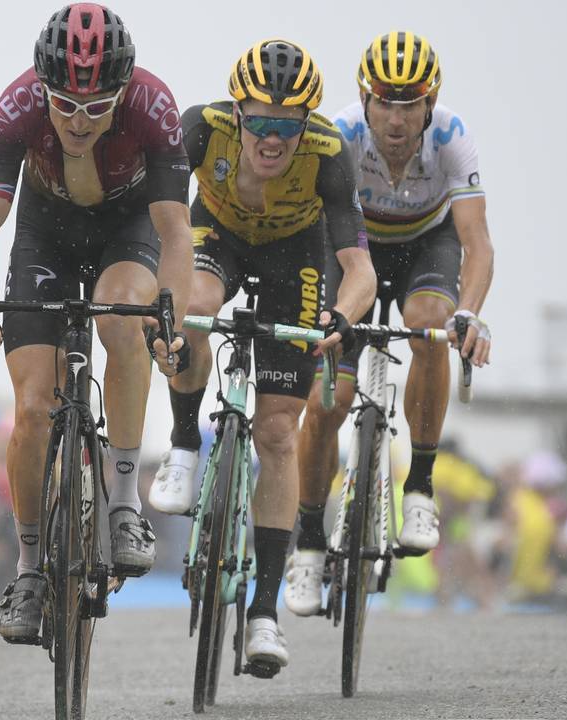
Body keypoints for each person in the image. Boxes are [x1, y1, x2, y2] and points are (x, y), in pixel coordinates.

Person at [0, 2, 192, 644]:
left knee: (125, 323)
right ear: (43, 89)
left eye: (97, 107)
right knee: (33, 408)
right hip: (47, 234)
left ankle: (123, 502)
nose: (80, 122)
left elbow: (176, 231)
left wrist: (168, 320)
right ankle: (30, 571)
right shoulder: (17, 107)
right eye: (65, 106)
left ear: (124, 91)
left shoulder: (154, 106)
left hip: (129, 228)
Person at [146, 39, 375, 672]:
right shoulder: (202, 128)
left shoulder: (329, 154)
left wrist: (342, 316)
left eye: (287, 127)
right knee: (191, 304)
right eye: (261, 124)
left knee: (277, 435)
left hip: (295, 257)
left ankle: (264, 613)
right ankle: (186, 443)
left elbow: (360, 270)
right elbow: (152, 217)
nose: (272, 141)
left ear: (307, 125)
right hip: (214, 234)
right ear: (237, 115)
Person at [284, 32, 497, 617]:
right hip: (352, 250)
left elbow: (476, 242)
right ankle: (306, 541)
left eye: (410, 103)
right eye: (385, 101)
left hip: (427, 245)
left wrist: (468, 313)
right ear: (364, 98)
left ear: (430, 103)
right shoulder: (341, 135)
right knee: (331, 401)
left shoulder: (452, 137)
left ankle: (420, 485)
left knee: (430, 322)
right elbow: (307, 224)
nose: (397, 117)